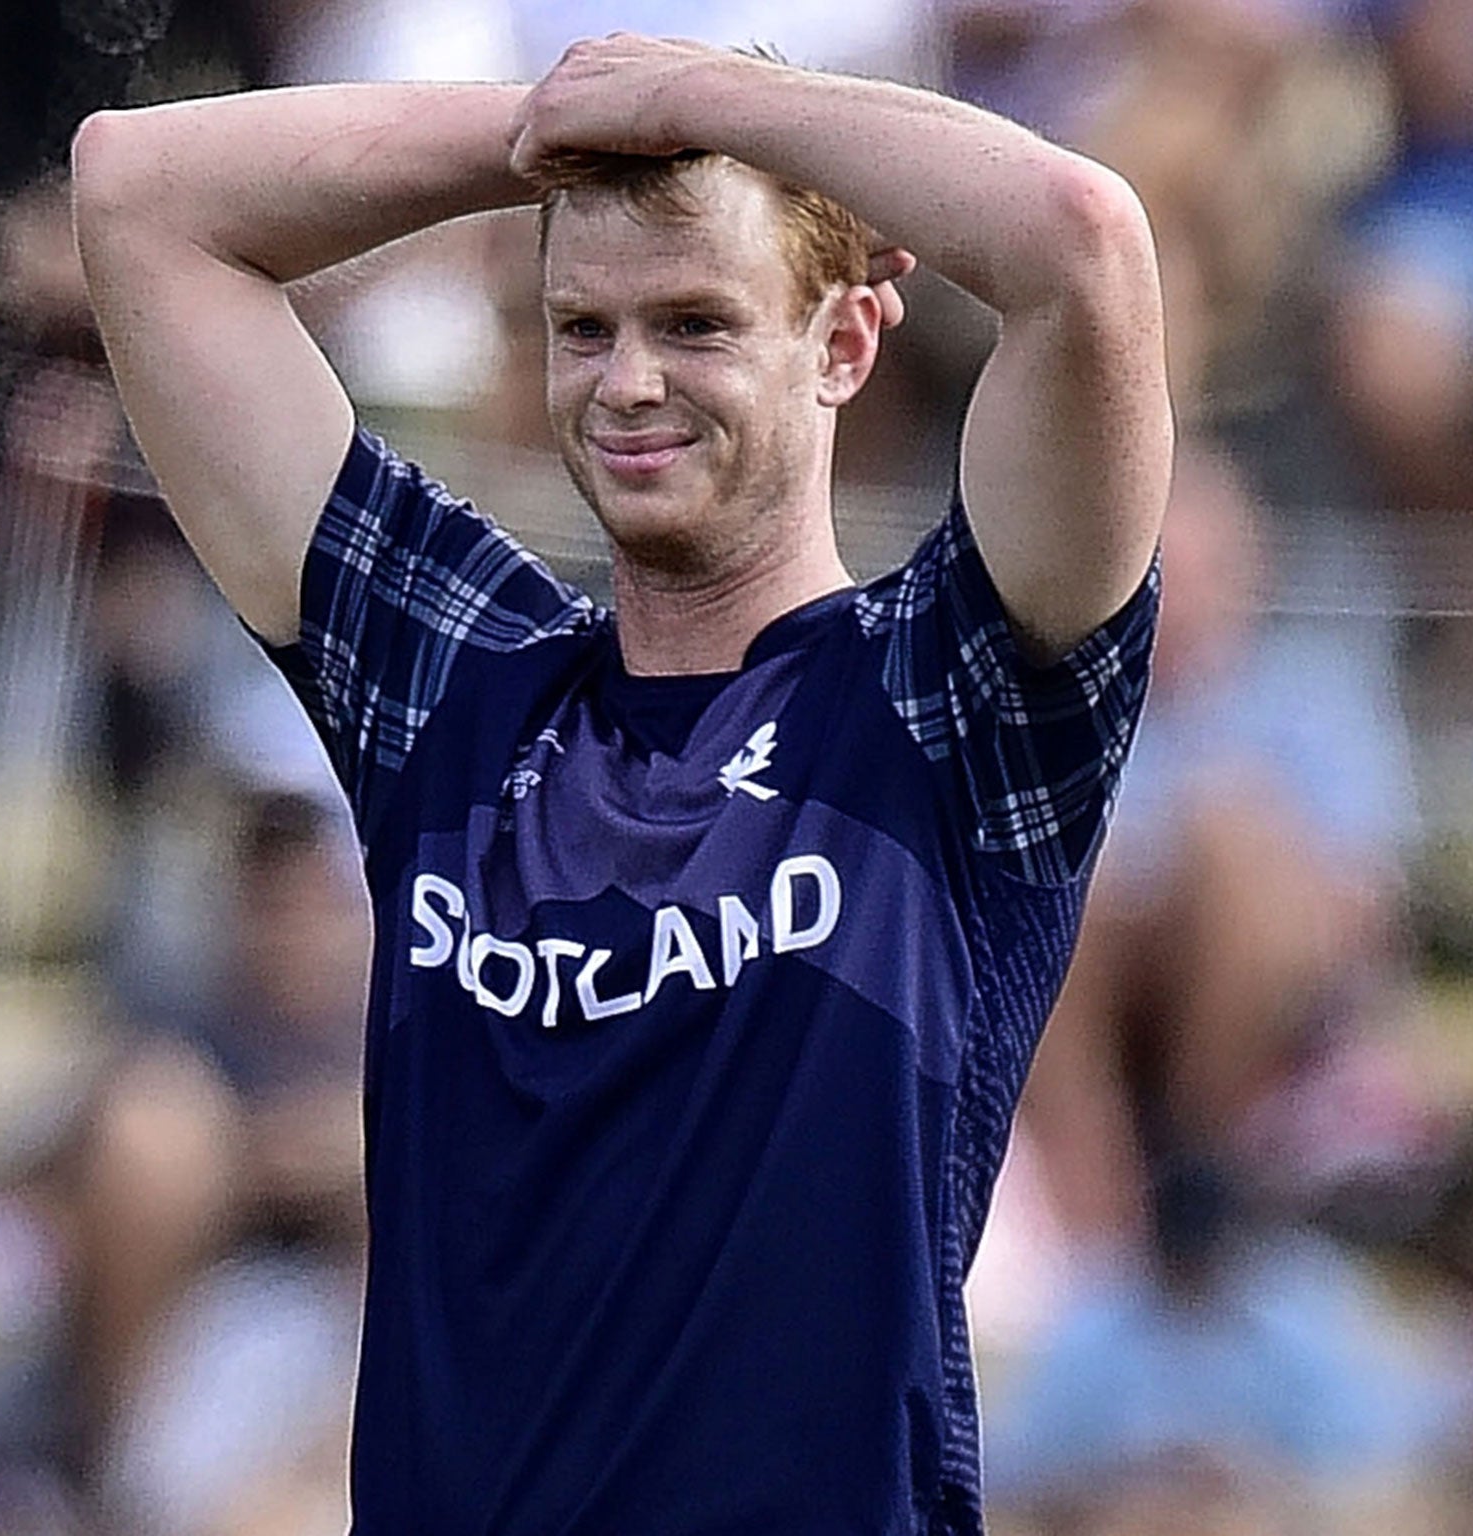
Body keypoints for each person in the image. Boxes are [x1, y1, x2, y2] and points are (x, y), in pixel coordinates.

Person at [72, 32, 1169, 1533]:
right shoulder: (456, 690)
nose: (628, 382)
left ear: (844, 344)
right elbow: (139, 194)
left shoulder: (940, 702)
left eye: (698, 321)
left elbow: (1083, 243)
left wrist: (709, 103)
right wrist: (557, 127)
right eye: (580, 326)